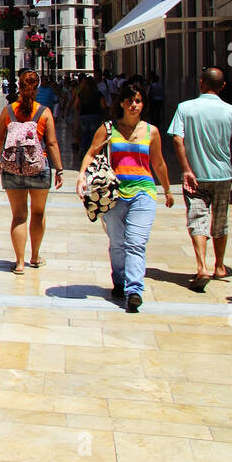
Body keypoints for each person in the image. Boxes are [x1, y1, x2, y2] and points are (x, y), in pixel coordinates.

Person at [77, 77, 174, 313]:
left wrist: (168, 189)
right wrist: (81, 176)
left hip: (144, 192)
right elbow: (91, 153)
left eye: (139, 101)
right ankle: (119, 280)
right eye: (130, 101)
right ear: (121, 103)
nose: (134, 105)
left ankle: (134, 290)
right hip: (114, 194)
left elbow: (158, 163)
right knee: (118, 243)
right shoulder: (108, 129)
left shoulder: (151, 131)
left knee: (136, 242)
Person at [169, 67, 232, 290]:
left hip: (195, 176)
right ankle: (219, 266)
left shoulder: (185, 108)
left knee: (196, 219)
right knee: (220, 220)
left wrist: (186, 170)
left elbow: (177, 140)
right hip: (223, 176)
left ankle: (201, 267)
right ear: (222, 87)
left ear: (201, 83)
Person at [0, 68, 65, 275]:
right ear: (37, 87)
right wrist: (59, 169)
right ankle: (35, 256)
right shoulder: (44, 112)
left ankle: (20, 263)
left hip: (12, 168)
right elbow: (51, 143)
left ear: (19, 85)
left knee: (18, 216)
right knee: (38, 212)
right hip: (38, 167)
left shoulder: (8, 111)